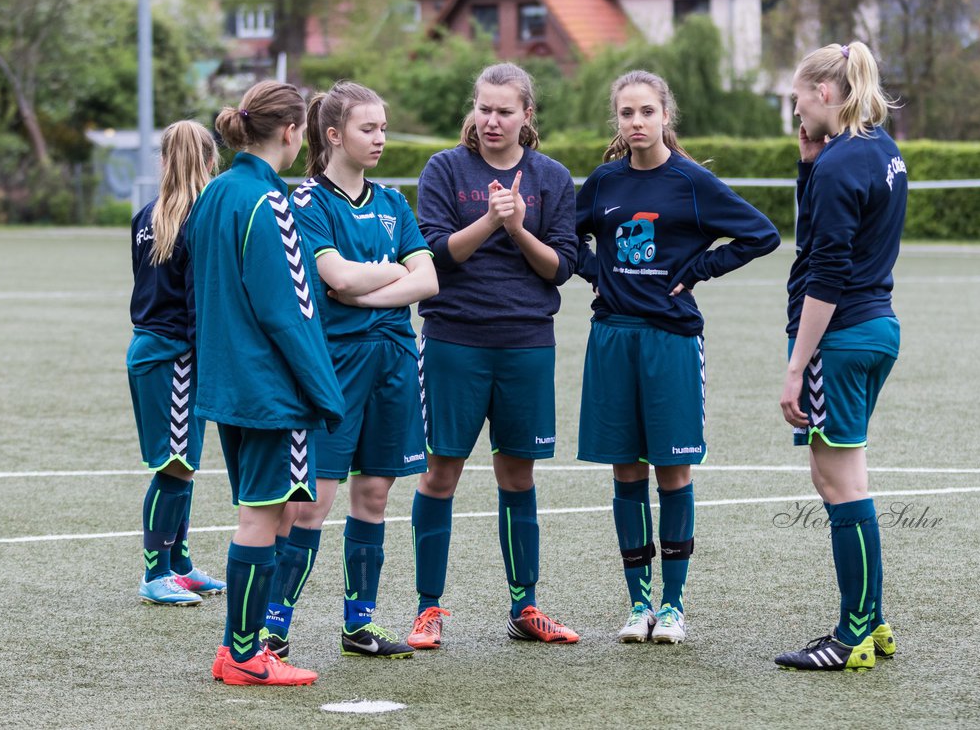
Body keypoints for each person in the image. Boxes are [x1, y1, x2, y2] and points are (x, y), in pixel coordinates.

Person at [576, 69, 780, 645]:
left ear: (666, 115)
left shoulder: (691, 182)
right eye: (626, 113)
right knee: (625, 469)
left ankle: (672, 606)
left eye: (646, 112)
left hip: (671, 340)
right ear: (616, 120)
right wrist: (599, 272)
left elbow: (760, 235)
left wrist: (698, 269)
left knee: (674, 470)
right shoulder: (603, 182)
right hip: (613, 335)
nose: (636, 122)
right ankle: (637, 603)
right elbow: (569, 240)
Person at [260, 81, 438, 660]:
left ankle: (358, 624)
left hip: (394, 359)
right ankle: (273, 628)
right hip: (335, 365)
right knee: (312, 501)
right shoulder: (307, 202)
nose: (381, 138)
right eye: (369, 128)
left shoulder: (392, 201)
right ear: (333, 135)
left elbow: (429, 280)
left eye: (384, 127)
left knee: (375, 496)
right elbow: (335, 278)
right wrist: (385, 276)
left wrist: (365, 286)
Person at [410, 62, 580, 648]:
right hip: (454, 341)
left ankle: (525, 606)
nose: (491, 120)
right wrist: (488, 218)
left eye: (504, 110)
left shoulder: (552, 177)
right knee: (440, 473)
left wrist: (517, 229)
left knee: (518, 475)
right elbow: (434, 253)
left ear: (526, 116)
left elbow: (562, 267)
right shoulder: (444, 168)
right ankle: (428, 609)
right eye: (483, 108)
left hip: (526, 344)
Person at [191, 80, 346, 687]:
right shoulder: (272, 202)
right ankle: (243, 654)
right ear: (293, 132)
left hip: (228, 383)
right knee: (263, 516)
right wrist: (324, 392)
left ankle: (248, 648)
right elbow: (292, 310)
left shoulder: (216, 193)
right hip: (271, 391)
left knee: (272, 512)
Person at [773, 41, 906, 672]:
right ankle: (872, 621)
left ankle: (852, 633)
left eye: (798, 97)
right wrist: (807, 164)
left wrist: (798, 366)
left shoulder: (839, 165)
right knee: (845, 475)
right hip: (878, 327)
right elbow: (826, 230)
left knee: (838, 482)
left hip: (842, 337)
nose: (796, 109)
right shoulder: (881, 149)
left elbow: (826, 271)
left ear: (825, 93)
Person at [128, 120, 227, 606]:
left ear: (164, 160)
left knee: (183, 463)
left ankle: (180, 564)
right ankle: (155, 572)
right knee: (176, 466)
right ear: (211, 161)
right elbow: (197, 299)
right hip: (176, 355)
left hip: (151, 348)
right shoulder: (200, 216)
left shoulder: (146, 214)